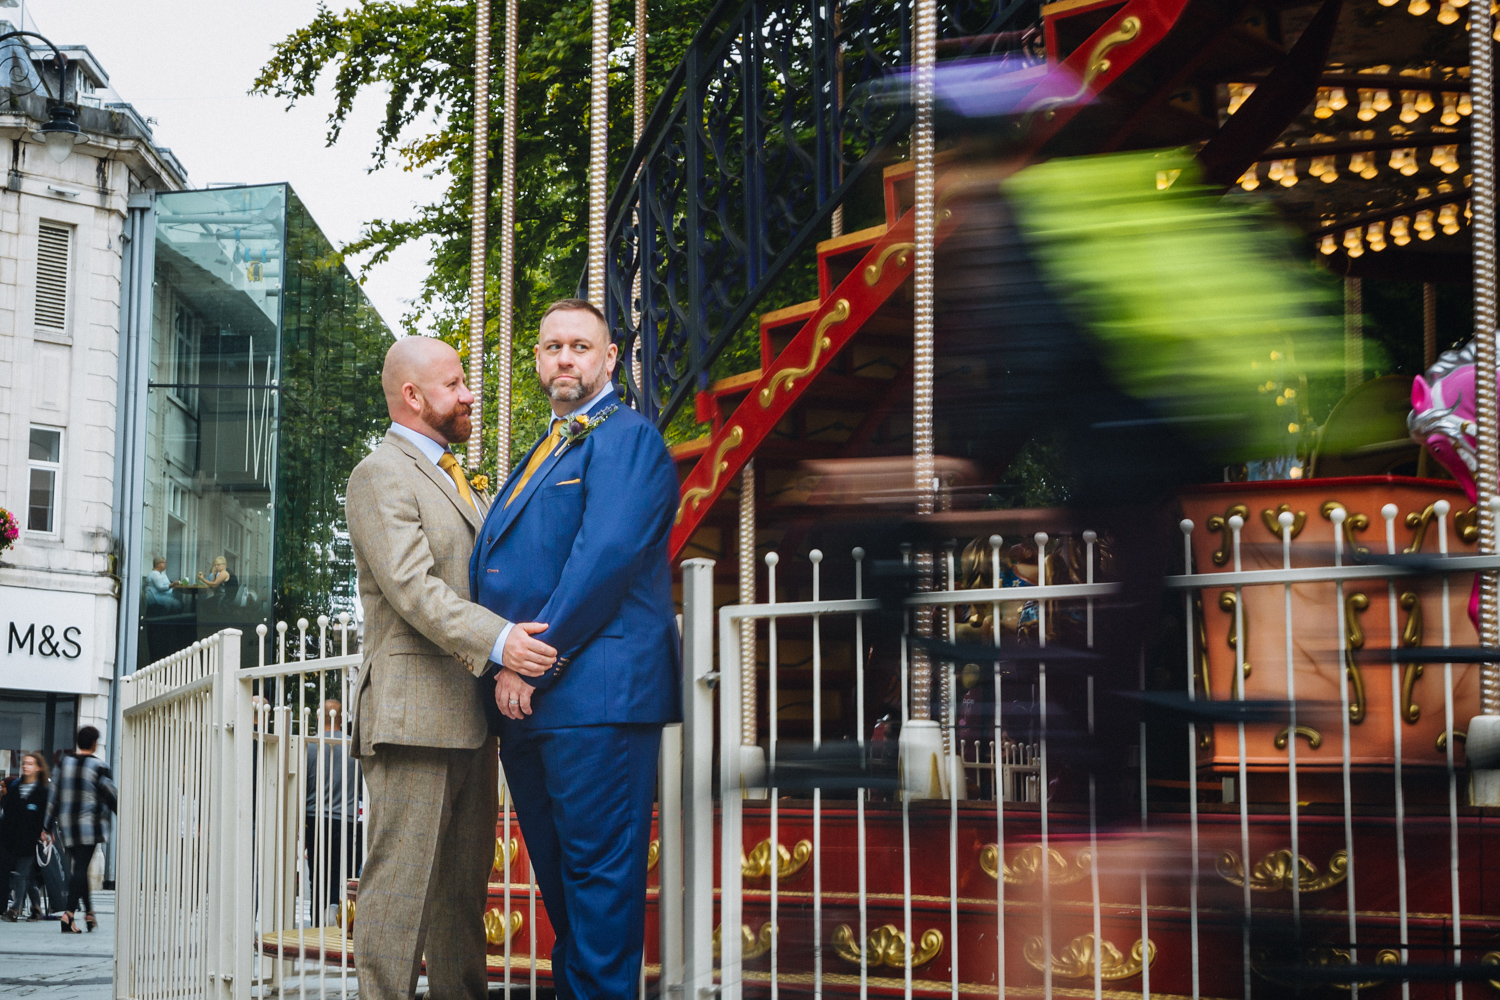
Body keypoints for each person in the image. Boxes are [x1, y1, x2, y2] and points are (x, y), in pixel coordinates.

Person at [471, 298, 682, 1000]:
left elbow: (607, 556)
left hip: (596, 698)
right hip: (532, 704)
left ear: (609, 358)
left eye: (580, 347)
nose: (565, 358)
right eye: (552, 346)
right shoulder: (546, 447)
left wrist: (534, 658)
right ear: (536, 358)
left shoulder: (627, 438)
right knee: (564, 890)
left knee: (598, 892)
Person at [344, 336, 554, 1000]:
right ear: (413, 396)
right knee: (399, 898)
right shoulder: (380, 473)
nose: (469, 395)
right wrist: (503, 643)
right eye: (456, 384)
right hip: (410, 721)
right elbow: (413, 590)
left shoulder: (454, 476)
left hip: (469, 719)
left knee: (461, 906)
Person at [44, 727, 116, 934]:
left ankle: (90, 914)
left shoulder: (63, 763)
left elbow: (54, 796)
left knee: (79, 869)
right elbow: (110, 794)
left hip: (67, 825)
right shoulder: (99, 766)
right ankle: (69, 914)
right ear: (94, 743)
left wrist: (46, 826)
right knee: (81, 868)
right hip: (89, 825)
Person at [304, 699, 360, 927]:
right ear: (341, 718)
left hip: (315, 818)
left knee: (317, 876)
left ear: (318, 717)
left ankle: (317, 926)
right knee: (342, 877)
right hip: (346, 820)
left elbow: (302, 786)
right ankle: (341, 924)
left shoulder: (310, 746)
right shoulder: (352, 747)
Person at [0, 752, 49, 920]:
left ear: (38, 768)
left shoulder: (42, 791)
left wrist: (44, 831)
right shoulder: (16, 787)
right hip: (12, 838)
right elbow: (8, 811)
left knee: (22, 873)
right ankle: (36, 907)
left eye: (30, 764)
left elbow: (44, 815)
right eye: (24, 763)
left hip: (30, 838)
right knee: (25, 875)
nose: (26, 766)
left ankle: (14, 910)